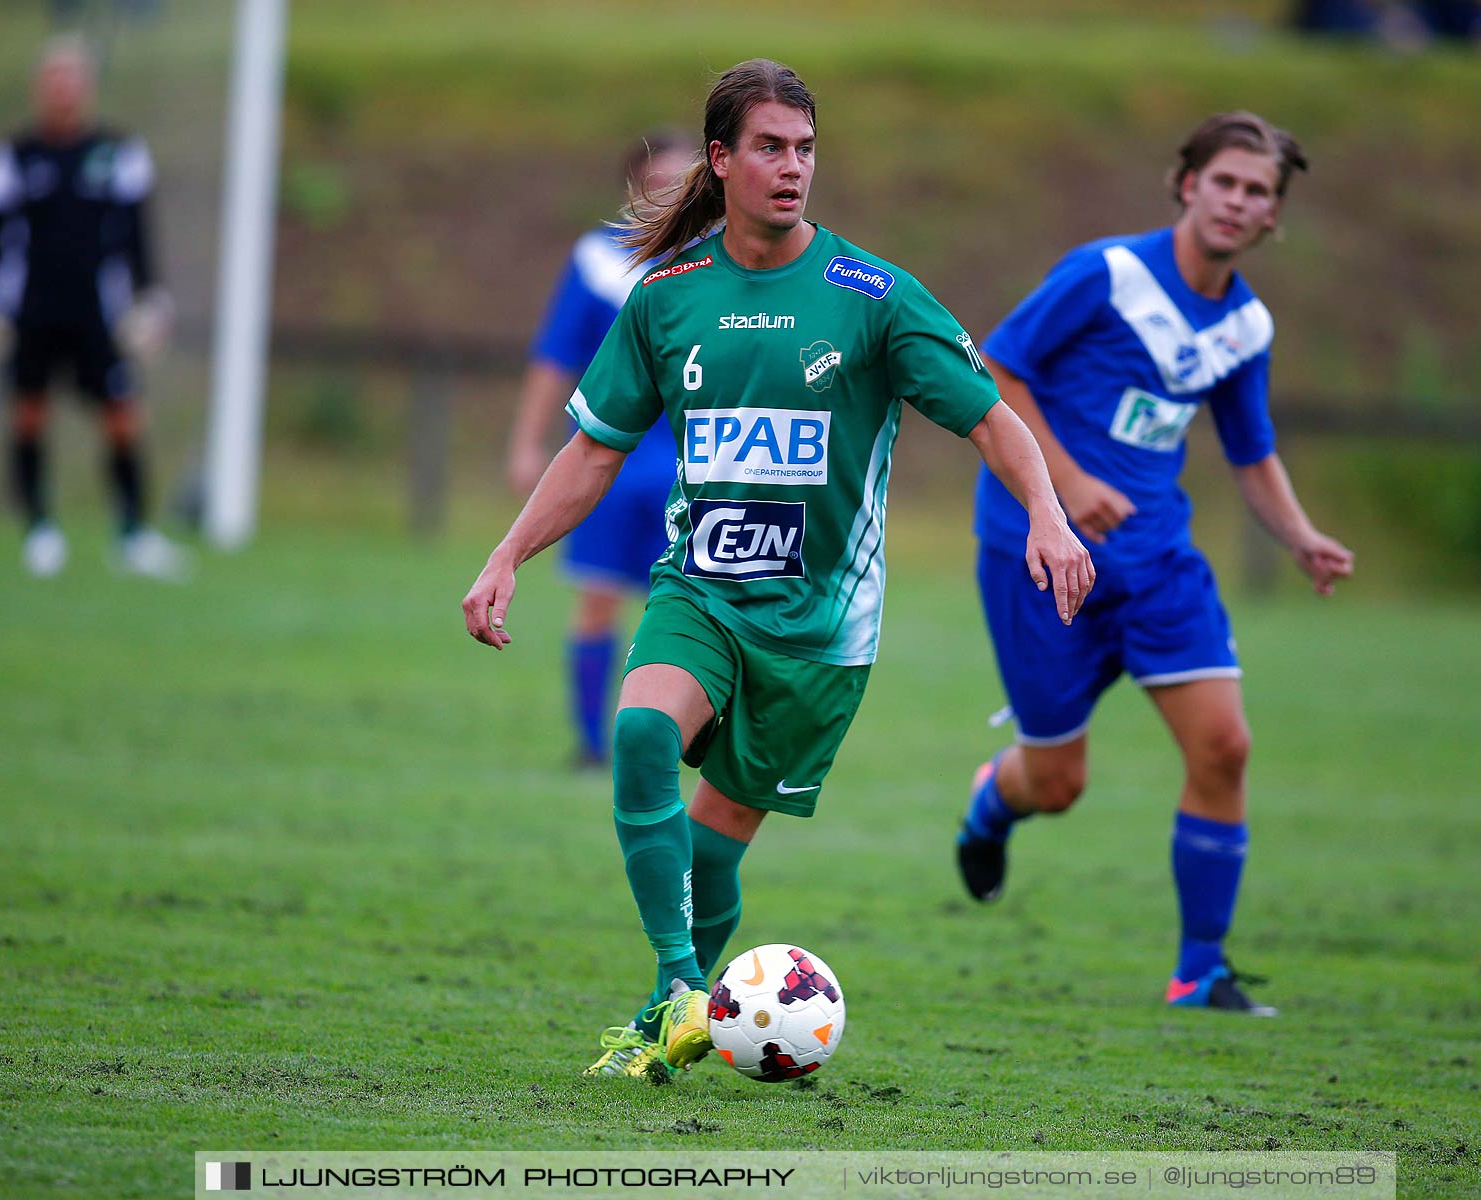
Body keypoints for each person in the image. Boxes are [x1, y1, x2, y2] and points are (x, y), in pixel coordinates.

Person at [463, 59, 1093, 1080]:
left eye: (804, 148)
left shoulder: (872, 295)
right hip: (700, 592)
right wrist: (506, 554)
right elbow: (591, 453)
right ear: (721, 160)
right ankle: (679, 991)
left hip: (818, 632)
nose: (792, 166)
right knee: (636, 735)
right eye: (769, 146)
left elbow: (990, 415)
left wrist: (1049, 518)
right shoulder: (666, 297)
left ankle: (656, 1025)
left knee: (713, 850)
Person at [954, 112, 1355, 1017]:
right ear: (1188, 185)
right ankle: (995, 798)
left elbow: (1250, 450)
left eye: (1259, 192)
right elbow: (994, 371)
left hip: (1158, 561)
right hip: (1038, 553)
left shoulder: (1245, 326)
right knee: (1057, 785)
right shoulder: (1106, 275)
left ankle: (1199, 971)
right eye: (1226, 182)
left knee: (1226, 745)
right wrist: (1068, 481)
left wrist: (1297, 534)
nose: (1239, 201)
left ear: (1272, 216)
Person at [0, 34, 187, 581]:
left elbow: (137, 235)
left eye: (73, 78)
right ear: (41, 86)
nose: (64, 89)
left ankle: (132, 534)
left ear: (87, 87)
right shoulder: (13, 156)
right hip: (32, 308)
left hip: (97, 312)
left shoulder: (117, 153)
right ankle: (39, 530)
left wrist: (150, 295)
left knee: (123, 418)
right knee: (28, 413)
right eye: (55, 78)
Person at [506, 131, 698, 768]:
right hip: (607, 464)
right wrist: (526, 443)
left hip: (690, 466)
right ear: (635, 186)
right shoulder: (595, 261)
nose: (674, 185)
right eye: (661, 174)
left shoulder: (718, 264)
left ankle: (674, 738)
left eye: (686, 174)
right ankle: (592, 745)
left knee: (685, 609)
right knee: (598, 598)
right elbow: (554, 358)